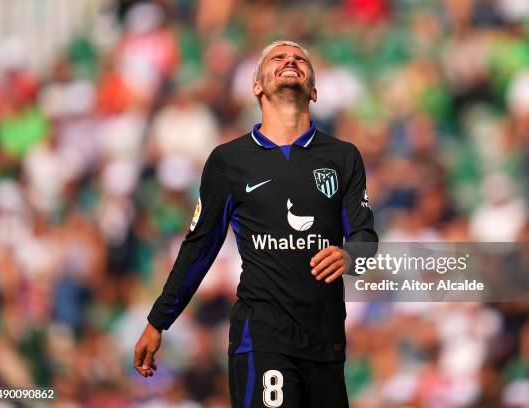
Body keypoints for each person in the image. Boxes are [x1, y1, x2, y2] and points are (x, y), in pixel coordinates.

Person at [134, 40, 378, 407]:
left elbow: (366, 237)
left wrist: (349, 255)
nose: (291, 61)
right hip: (262, 338)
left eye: (300, 59)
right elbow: (200, 246)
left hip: (325, 342)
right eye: (278, 58)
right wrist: (158, 321)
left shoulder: (343, 157)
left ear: (314, 90)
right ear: (256, 86)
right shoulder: (229, 161)